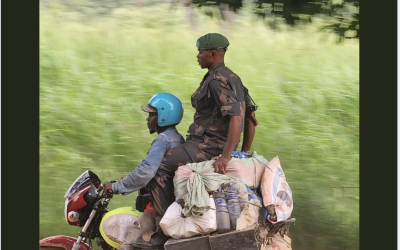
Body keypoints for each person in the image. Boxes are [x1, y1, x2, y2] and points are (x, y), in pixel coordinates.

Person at [132, 33, 258, 249]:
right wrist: (243, 152)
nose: (197, 56)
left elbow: (237, 117)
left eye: (201, 51)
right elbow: (252, 118)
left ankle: (164, 233)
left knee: (160, 166)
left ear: (214, 53)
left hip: (207, 145)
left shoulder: (217, 81)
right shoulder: (233, 78)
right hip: (210, 143)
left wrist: (227, 156)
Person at [102, 92, 185, 250]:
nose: (147, 119)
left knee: (128, 245)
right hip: (169, 203)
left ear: (163, 116)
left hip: (158, 208)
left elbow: (145, 172)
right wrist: (125, 181)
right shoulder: (177, 138)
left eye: (151, 115)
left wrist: (115, 187)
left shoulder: (162, 140)